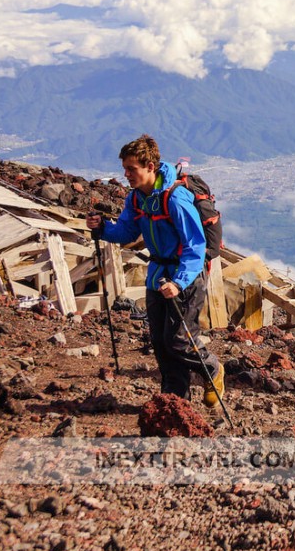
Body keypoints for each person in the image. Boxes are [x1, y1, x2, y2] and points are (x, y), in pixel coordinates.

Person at [86, 134, 223, 407]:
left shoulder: (175, 199)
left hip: (185, 277)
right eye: (124, 169)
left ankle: (213, 369)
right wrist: (102, 228)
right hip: (157, 276)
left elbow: (195, 246)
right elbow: (126, 231)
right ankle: (175, 401)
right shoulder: (137, 198)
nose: (126, 175)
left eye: (131, 169)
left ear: (150, 166)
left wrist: (180, 282)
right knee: (161, 344)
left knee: (179, 341)